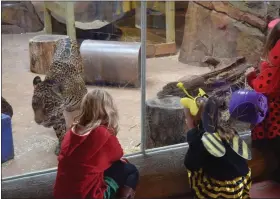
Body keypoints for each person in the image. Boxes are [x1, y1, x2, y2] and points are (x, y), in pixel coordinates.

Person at [53, 89, 139, 199]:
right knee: (130, 170)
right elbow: (118, 154)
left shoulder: (70, 132)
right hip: (88, 196)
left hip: (60, 195)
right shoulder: (102, 133)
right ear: (108, 111)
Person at [183, 96, 252, 199]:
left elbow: (190, 164)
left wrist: (193, 135)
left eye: (187, 118)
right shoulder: (229, 130)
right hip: (242, 183)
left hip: (219, 190)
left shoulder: (198, 138)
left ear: (194, 120)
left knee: (193, 172)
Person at [245, 19, 280, 181]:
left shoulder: (277, 58)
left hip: (276, 117)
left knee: (274, 143)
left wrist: (251, 77)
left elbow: (264, 88)